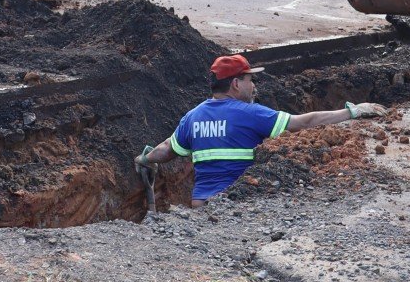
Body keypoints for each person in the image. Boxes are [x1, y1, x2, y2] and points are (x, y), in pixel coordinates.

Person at [136, 55, 386, 205]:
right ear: (235, 84)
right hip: (232, 204)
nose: (253, 85)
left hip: (200, 204)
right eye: (249, 80)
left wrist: (143, 159)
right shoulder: (250, 114)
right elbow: (303, 123)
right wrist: (350, 112)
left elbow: (166, 150)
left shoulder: (192, 117)